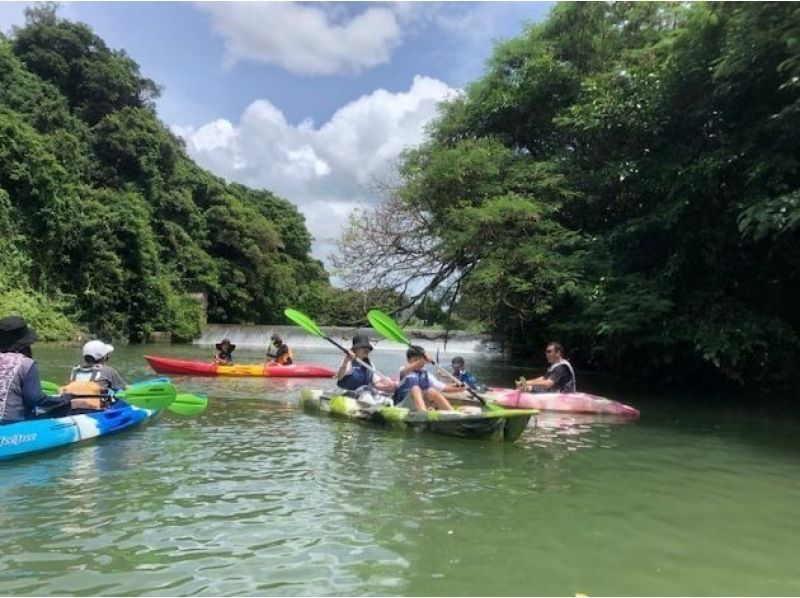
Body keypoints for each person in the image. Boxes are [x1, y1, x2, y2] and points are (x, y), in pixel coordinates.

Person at [0, 315, 71, 424]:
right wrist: (62, 399)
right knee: (64, 406)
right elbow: (34, 399)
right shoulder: (25, 363)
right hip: (10, 424)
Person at [62, 340, 128, 411]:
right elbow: (126, 389)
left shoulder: (75, 370)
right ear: (104, 357)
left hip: (75, 407)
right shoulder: (108, 370)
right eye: (106, 354)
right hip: (97, 410)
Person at [393, 345, 463, 412]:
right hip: (403, 405)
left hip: (417, 406)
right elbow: (405, 370)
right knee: (415, 389)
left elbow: (444, 387)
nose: (419, 363)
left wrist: (460, 387)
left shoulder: (426, 374)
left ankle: (451, 411)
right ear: (409, 361)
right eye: (415, 360)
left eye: (420, 360)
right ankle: (424, 413)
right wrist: (419, 361)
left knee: (431, 391)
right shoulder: (403, 370)